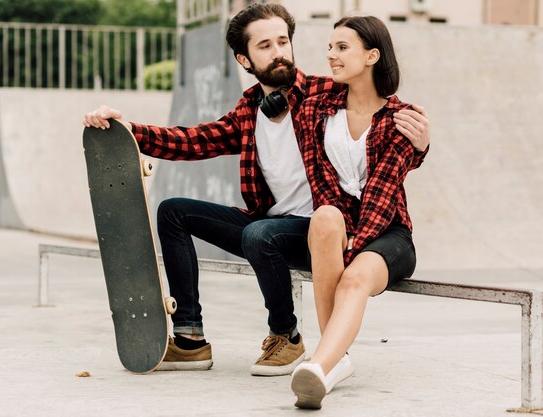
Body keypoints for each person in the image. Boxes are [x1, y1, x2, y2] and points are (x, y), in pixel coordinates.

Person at [83, 4, 429, 376]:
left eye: (284, 41)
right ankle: (190, 339)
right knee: (173, 211)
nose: (279, 51)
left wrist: (421, 145)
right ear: (244, 59)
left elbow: (377, 116)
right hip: (268, 225)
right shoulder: (250, 110)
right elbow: (194, 141)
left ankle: (286, 337)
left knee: (259, 233)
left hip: (323, 229)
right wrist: (126, 132)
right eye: (265, 46)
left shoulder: (324, 94)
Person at [290, 16, 427, 408]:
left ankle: (321, 363)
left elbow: (383, 195)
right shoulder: (315, 110)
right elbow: (322, 185)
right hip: (340, 228)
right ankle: (330, 364)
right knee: (324, 215)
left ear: (372, 55)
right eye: (330, 47)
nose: (331, 55)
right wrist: (342, 240)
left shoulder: (401, 119)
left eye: (342, 47)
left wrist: (353, 250)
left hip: (389, 233)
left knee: (352, 280)